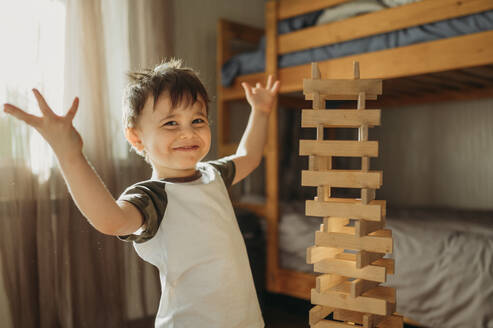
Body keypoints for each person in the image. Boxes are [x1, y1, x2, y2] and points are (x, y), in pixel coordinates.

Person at [3, 58, 280, 327]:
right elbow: (110, 220)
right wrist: (69, 154)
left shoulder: (214, 174)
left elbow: (250, 156)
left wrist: (261, 111)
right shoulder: (153, 196)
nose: (188, 132)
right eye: (171, 123)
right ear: (136, 138)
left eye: (197, 120)